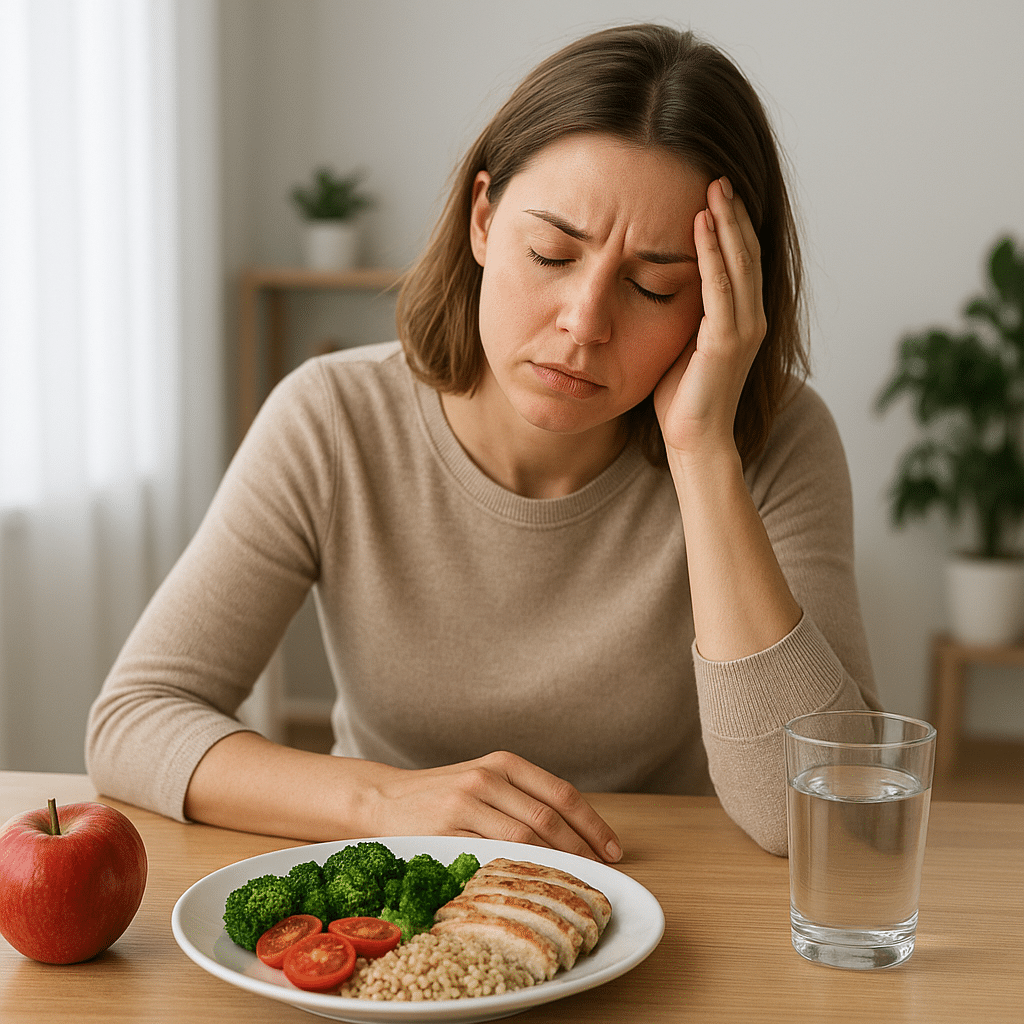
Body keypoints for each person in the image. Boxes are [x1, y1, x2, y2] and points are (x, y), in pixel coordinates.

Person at [86, 23, 879, 859]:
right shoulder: (332, 418)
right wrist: (383, 801)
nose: (584, 323)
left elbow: (819, 810)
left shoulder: (778, 441)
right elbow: (135, 720)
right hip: (394, 916)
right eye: (549, 253)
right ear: (482, 220)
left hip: (672, 910)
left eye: (653, 287)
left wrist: (703, 453)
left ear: (721, 303)